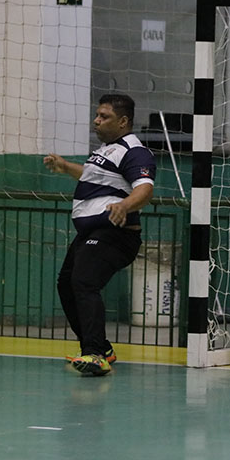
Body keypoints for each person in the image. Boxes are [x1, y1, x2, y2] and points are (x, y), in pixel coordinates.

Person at [44, 93, 155, 376]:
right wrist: (65, 167)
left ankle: (94, 353)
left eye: (104, 116)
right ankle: (101, 348)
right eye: (96, 115)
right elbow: (93, 177)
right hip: (91, 231)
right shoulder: (105, 151)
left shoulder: (135, 151)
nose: (96, 121)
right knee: (66, 284)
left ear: (123, 121)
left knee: (84, 281)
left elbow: (145, 189)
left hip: (116, 233)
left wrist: (124, 206)